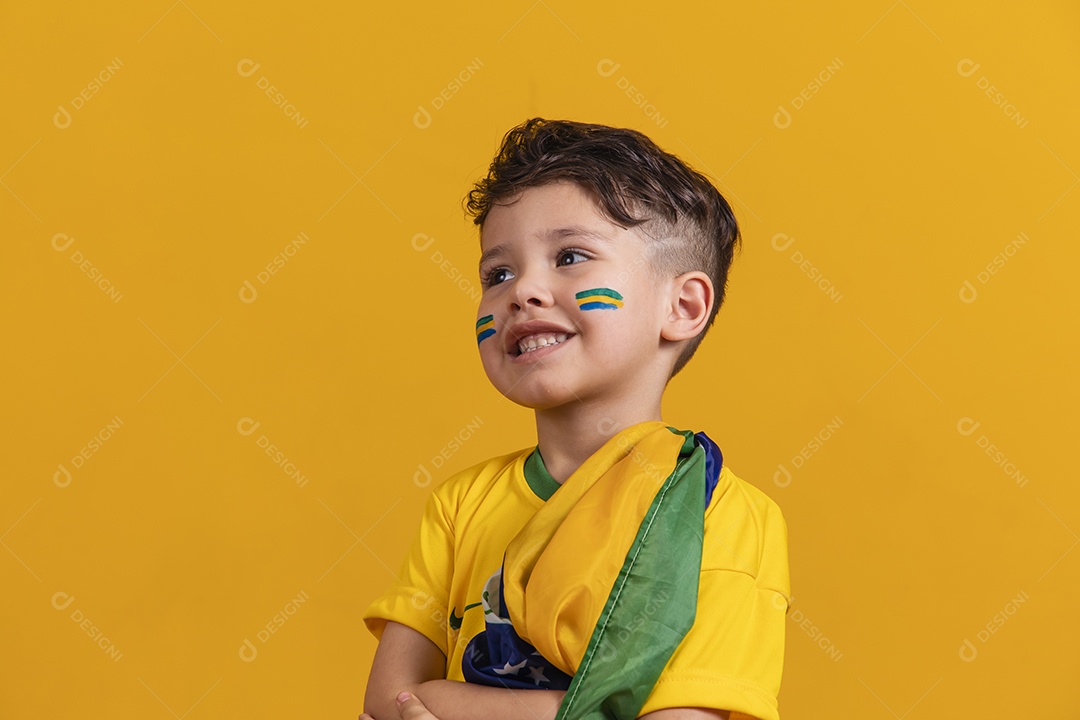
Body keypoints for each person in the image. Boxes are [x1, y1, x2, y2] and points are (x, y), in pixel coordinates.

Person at [360, 118, 791, 720]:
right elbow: (389, 703)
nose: (522, 292)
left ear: (682, 305)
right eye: (498, 274)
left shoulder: (720, 511)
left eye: (570, 256)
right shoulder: (461, 506)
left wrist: (447, 702)